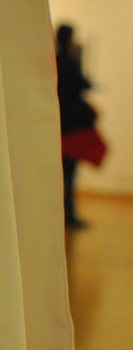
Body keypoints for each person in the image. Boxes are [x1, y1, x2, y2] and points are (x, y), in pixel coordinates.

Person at [55, 23, 103, 228]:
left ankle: (64, 215)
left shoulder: (54, 60)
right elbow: (83, 84)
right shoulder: (69, 61)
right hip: (72, 128)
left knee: (62, 173)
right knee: (69, 173)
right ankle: (69, 215)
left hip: (60, 124)